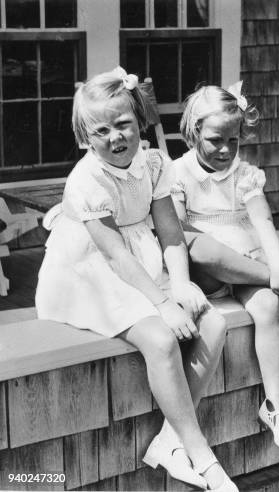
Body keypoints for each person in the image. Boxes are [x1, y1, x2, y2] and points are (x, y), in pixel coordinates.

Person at [36, 67, 237, 492]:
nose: (115, 137)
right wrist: (163, 304)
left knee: (213, 321)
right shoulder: (86, 180)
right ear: (85, 137)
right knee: (161, 338)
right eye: (101, 130)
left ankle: (169, 441)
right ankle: (201, 454)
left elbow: (170, 232)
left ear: (140, 122)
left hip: (142, 259)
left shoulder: (154, 163)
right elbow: (113, 255)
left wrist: (179, 284)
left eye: (124, 124)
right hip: (91, 271)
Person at [170, 83, 279, 452]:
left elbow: (263, 224)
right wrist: (274, 276)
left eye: (234, 140)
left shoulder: (246, 175)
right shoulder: (178, 174)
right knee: (207, 250)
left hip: (245, 264)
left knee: (269, 305)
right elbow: (179, 231)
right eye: (215, 140)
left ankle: (276, 406)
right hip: (205, 268)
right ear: (194, 133)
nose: (226, 149)